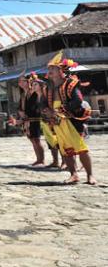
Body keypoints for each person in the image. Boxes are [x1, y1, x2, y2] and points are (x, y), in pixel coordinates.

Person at [44, 52, 96, 185]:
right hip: (57, 122)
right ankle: (73, 174)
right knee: (65, 149)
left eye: (53, 69)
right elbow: (42, 103)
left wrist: (60, 110)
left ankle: (90, 176)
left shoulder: (71, 84)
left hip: (72, 119)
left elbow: (77, 101)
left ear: (61, 71)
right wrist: (47, 112)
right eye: (49, 69)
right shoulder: (48, 88)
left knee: (81, 148)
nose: (49, 71)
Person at [18, 73, 45, 166]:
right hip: (26, 119)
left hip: (34, 118)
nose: (20, 83)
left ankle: (41, 159)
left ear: (27, 81)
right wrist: (21, 112)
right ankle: (38, 159)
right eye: (19, 81)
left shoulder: (33, 92)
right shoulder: (23, 94)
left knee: (36, 139)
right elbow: (20, 107)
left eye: (22, 81)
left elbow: (35, 105)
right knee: (32, 140)